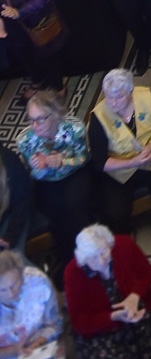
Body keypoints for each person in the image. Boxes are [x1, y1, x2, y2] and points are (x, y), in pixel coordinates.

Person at [63, 223, 151, 359]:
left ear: (109, 245)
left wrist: (134, 296)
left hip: (134, 310)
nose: (101, 261)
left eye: (104, 252)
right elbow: (80, 322)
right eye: (93, 258)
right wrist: (112, 317)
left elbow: (146, 274)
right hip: (99, 330)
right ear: (84, 259)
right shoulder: (73, 273)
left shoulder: (123, 245)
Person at [87, 66, 151, 231]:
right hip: (118, 171)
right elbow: (100, 162)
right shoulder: (98, 117)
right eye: (109, 97)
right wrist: (131, 162)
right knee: (114, 213)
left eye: (118, 97)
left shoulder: (147, 97)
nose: (113, 103)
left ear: (130, 92)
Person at [16, 90, 93, 277]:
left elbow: (84, 157)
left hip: (75, 174)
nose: (35, 125)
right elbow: (32, 174)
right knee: (56, 217)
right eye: (30, 119)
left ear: (55, 114)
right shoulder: (25, 141)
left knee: (75, 207)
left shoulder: (74, 130)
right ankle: (69, 261)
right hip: (46, 182)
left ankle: (89, 254)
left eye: (40, 119)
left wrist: (62, 161)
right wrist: (39, 167)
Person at [0, 248, 66, 359]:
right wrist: (15, 350)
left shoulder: (37, 281)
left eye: (15, 284)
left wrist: (34, 346)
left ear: (22, 274)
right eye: (2, 290)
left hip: (42, 351)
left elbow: (55, 324)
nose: (11, 293)